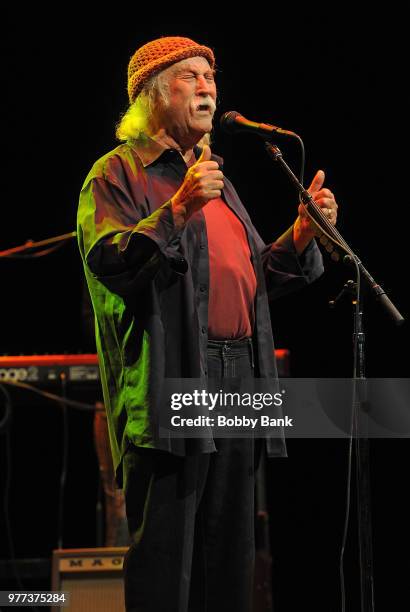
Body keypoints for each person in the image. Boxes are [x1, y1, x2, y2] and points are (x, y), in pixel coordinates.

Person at [77, 36, 338, 612]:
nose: (207, 87)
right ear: (150, 96)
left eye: (211, 76)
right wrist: (176, 211)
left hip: (241, 371)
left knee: (231, 554)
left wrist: (300, 237)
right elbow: (110, 263)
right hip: (179, 372)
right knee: (168, 559)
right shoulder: (118, 173)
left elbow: (248, 282)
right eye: (189, 76)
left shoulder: (213, 176)